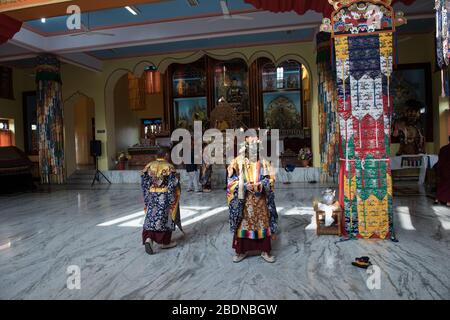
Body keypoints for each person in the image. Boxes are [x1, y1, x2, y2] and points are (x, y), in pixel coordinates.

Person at [226, 137, 278, 263]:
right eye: (251, 148)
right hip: (244, 201)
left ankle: (265, 250)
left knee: (263, 223)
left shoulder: (264, 162)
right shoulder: (237, 162)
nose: (254, 151)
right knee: (243, 224)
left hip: (260, 200)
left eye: (256, 148)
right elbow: (231, 182)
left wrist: (261, 184)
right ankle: (241, 251)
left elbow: (271, 180)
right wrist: (243, 186)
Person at [141, 148, 181, 255]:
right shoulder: (169, 167)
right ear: (166, 155)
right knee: (165, 219)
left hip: (152, 195)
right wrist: (172, 198)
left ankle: (149, 238)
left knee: (151, 217)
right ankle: (164, 242)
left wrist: (146, 197)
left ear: (156, 155)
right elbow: (172, 184)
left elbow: (144, 184)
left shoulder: (148, 166)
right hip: (164, 196)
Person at [435, 137, 450, 206]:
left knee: (442, 184)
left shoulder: (443, 148)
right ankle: (447, 201)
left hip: (442, 169)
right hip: (448, 169)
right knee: (447, 186)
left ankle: (437, 198)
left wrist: (438, 169)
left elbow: (440, 160)